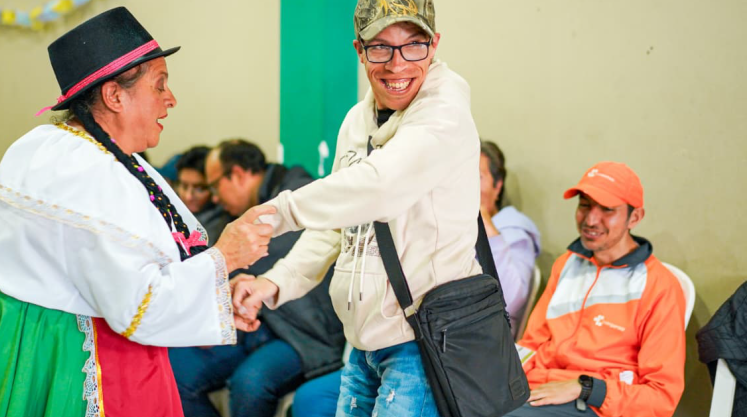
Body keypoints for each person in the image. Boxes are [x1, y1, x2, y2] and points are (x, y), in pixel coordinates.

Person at [0, 7, 274, 417]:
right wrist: (227, 258)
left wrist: (217, 288)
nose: (171, 99)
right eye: (160, 85)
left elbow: (129, 270)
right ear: (115, 95)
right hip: (31, 349)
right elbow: (140, 305)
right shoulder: (90, 173)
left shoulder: (66, 147)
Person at [232, 0, 481, 417]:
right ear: (359, 50)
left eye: (414, 45)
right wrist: (275, 281)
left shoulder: (444, 111)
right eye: (380, 48)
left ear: (435, 44)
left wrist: (275, 214)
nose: (397, 63)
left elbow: (379, 187)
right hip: (363, 346)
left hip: (421, 346)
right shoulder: (357, 121)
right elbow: (339, 223)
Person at [291, 140, 542, 417]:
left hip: (457, 356)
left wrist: (477, 211)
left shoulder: (512, 226)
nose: (462, 182)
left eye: (475, 176)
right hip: (385, 345)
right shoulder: (433, 219)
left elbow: (509, 296)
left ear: (497, 185)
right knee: (311, 398)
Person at [169, 139, 345, 417]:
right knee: (176, 370)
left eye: (214, 187)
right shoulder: (232, 212)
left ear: (238, 175)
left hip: (302, 333)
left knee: (250, 384)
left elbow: (255, 259)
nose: (213, 197)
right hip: (256, 323)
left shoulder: (300, 195)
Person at [508, 162, 686, 417]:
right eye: (584, 205)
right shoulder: (566, 265)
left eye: (607, 209)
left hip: (595, 405)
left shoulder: (659, 286)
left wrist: (586, 388)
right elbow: (532, 344)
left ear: (634, 217)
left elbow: (661, 397)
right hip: (537, 391)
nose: (591, 219)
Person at [480, 140, 541, 337]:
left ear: (497, 186)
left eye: (476, 177)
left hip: (488, 339)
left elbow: (510, 302)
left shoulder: (514, 230)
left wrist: (485, 225)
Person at [174, 145, 231, 244]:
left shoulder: (224, 226)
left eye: (200, 189)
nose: (188, 196)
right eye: (184, 186)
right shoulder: (167, 209)